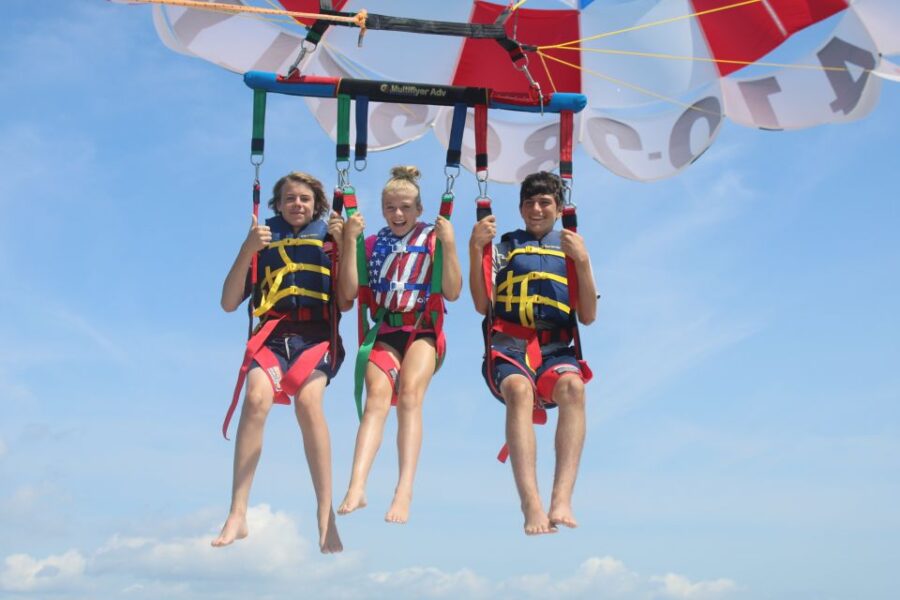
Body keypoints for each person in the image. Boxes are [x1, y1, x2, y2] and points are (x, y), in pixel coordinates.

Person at [213, 171, 349, 553]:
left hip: (317, 337)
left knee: (308, 401)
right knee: (255, 399)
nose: (297, 204)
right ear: (277, 205)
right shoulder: (263, 240)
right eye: (290, 198)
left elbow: (347, 300)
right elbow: (227, 302)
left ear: (316, 205)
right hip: (271, 337)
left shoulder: (329, 240)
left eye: (305, 199)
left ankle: (325, 515)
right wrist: (247, 249)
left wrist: (347, 245)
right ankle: (238, 512)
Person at [468, 171, 597, 536]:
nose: (536, 209)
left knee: (575, 389)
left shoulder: (572, 249)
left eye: (545, 203)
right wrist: (475, 249)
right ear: (521, 208)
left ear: (558, 209)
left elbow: (587, 316)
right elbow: (482, 304)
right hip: (509, 346)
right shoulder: (504, 246)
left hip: (557, 350)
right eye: (530, 203)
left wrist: (584, 262)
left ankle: (561, 498)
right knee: (520, 391)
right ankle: (531, 503)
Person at [336, 166, 462, 524]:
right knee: (377, 399)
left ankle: (403, 490)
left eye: (405, 207)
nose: (398, 214)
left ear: (419, 210)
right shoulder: (372, 244)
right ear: (382, 208)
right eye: (390, 207)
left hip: (422, 330)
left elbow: (452, 291)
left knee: (409, 397)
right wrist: (350, 242)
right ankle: (356, 486)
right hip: (386, 331)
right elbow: (348, 293)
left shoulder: (433, 239)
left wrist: (450, 245)